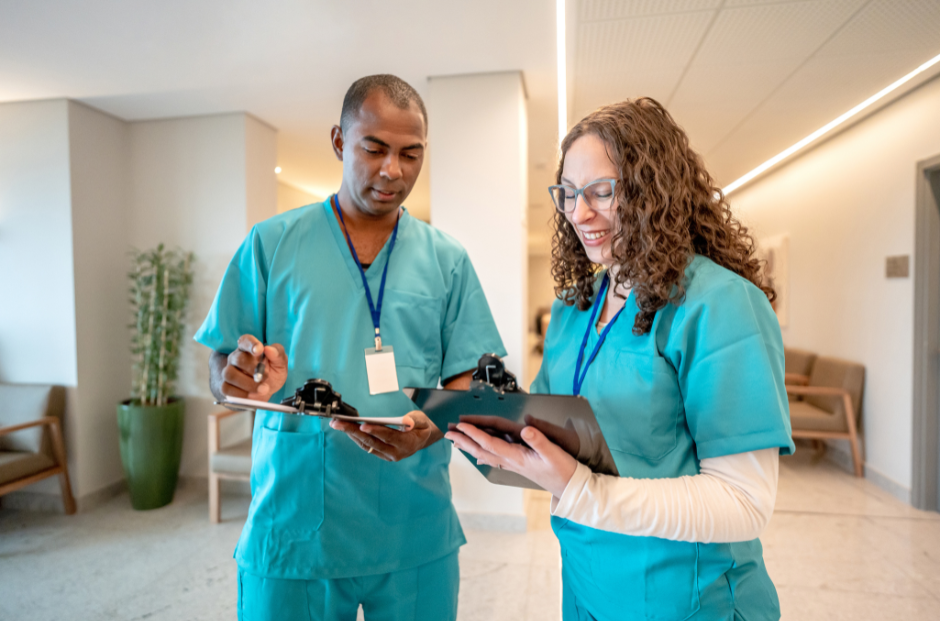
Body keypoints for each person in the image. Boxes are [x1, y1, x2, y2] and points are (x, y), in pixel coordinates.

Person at [446, 98, 795, 621]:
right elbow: (555, 438)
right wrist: (488, 426)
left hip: (689, 598)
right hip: (588, 583)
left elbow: (744, 503)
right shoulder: (574, 307)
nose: (579, 213)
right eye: (567, 193)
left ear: (654, 191)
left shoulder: (717, 304)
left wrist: (583, 492)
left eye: (601, 192)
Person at [195, 74, 505, 621]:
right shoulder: (272, 244)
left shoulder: (446, 259)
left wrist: (436, 422)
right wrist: (233, 376)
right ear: (340, 141)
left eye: (412, 154)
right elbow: (222, 361)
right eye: (374, 148)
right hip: (296, 519)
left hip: (413, 520)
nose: (394, 170)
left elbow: (470, 375)